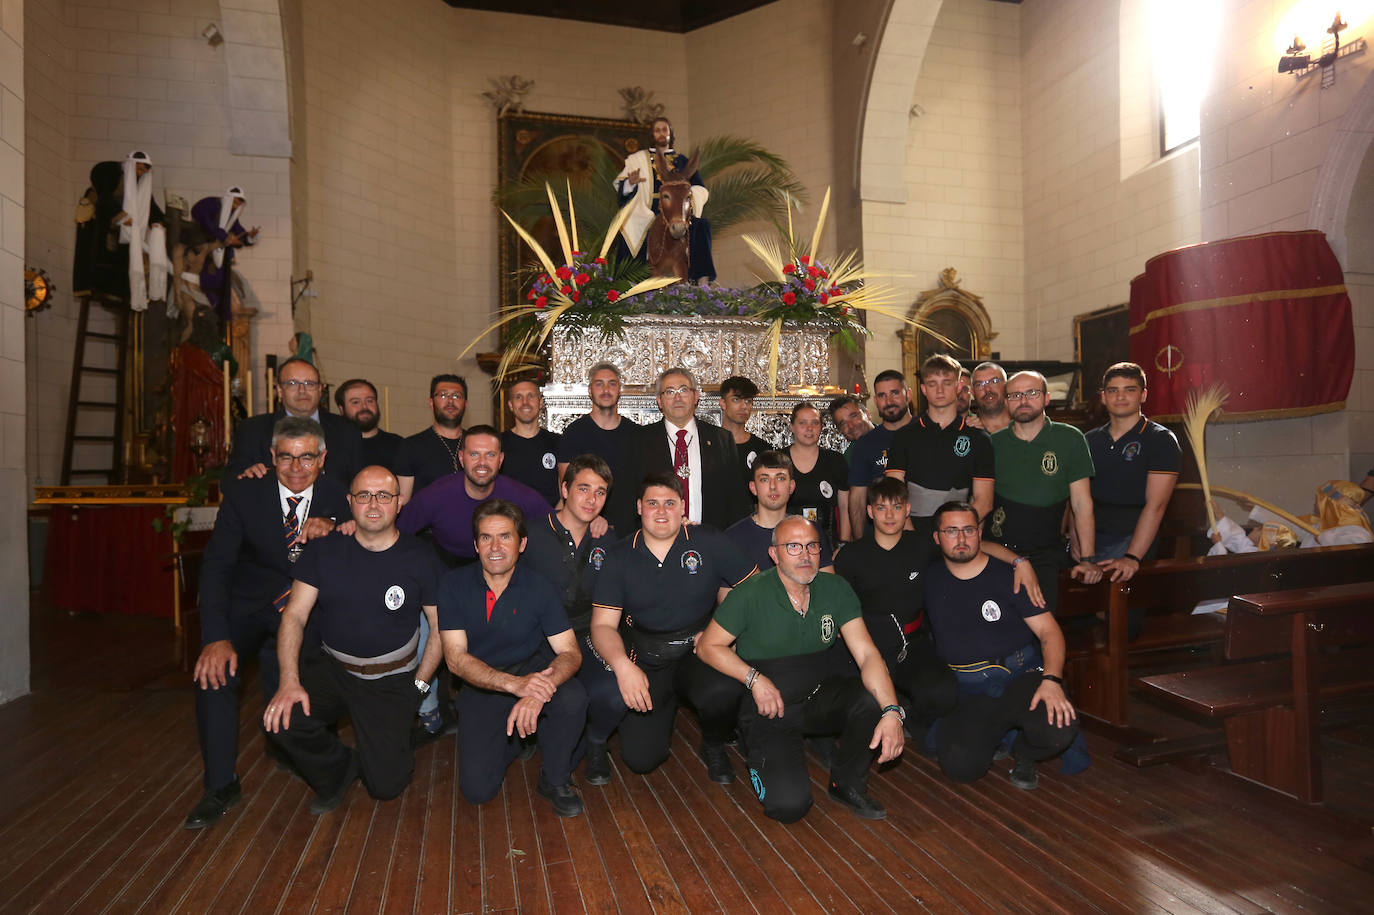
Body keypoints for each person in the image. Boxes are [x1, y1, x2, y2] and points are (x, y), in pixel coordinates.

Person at [184, 417, 350, 829]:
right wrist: (216, 637)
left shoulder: (341, 496)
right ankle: (220, 785)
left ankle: (305, 753)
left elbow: (366, 547)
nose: (296, 468)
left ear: (322, 458)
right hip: (250, 606)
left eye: (307, 457)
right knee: (213, 673)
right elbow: (217, 567)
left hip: (308, 611)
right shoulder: (245, 493)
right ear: (272, 456)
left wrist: (334, 529)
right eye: (286, 457)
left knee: (313, 676)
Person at [697, 516, 905, 822]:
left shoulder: (836, 588)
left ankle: (846, 785)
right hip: (770, 707)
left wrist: (892, 711)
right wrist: (754, 679)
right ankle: (755, 744)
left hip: (818, 694)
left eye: (811, 546)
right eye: (793, 547)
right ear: (774, 554)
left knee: (872, 700)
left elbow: (867, 654)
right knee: (788, 806)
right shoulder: (749, 593)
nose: (805, 555)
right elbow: (707, 646)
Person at [262, 466, 445, 814]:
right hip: (335, 670)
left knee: (386, 787)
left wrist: (419, 685)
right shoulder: (324, 551)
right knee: (281, 721)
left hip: (391, 680)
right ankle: (340, 769)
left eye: (383, 495)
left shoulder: (421, 557)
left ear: (399, 503)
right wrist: (289, 682)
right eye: (364, 495)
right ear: (350, 502)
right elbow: (294, 616)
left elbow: (440, 627)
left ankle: (382, 753)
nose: (373, 504)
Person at [582, 474, 757, 786]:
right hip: (647, 656)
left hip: (698, 650)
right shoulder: (620, 556)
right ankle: (612, 733)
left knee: (725, 690)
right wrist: (623, 666)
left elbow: (753, 587)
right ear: (639, 507)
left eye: (670, 503)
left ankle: (713, 743)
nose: (661, 511)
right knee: (641, 760)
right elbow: (602, 625)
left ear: (682, 507)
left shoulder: (708, 540)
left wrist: (721, 631)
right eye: (653, 503)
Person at [835, 477, 1042, 738]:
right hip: (865, 647)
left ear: (907, 510)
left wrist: (1019, 562)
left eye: (897, 507)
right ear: (869, 511)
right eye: (881, 507)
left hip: (911, 645)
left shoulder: (921, 546)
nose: (889, 515)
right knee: (860, 707)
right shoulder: (851, 556)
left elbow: (974, 546)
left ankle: (913, 723)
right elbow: (838, 610)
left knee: (943, 693)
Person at [439, 501, 588, 817]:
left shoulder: (540, 586)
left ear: (522, 544)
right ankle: (520, 739)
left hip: (533, 671)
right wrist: (515, 686)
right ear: (475, 545)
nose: (495, 547)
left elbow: (570, 653)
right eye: (486, 538)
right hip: (483, 682)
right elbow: (455, 660)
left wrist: (536, 692)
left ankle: (555, 778)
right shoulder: (453, 585)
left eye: (505, 537)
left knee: (573, 698)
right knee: (477, 792)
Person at [923, 502, 1079, 790]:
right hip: (969, 688)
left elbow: (1049, 631)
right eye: (951, 531)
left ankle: (1024, 752)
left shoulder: (1010, 577)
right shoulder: (930, 576)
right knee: (960, 767)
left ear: (980, 533)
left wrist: (1052, 680)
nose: (961, 538)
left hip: (1021, 675)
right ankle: (993, 736)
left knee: (1058, 727)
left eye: (969, 530)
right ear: (937, 537)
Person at [987, 370, 1102, 619]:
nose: (1023, 400)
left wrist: (1087, 558)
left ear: (1047, 398)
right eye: (1015, 395)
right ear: (1006, 402)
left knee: (1042, 619)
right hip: (998, 549)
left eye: (1032, 393)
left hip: (1045, 552)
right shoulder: (993, 443)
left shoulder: (1070, 439)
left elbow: (1081, 504)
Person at [1080, 363, 1181, 585]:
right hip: (1089, 539)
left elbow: (1156, 506)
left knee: (1122, 605)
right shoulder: (1088, 440)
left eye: (1129, 389)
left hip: (1133, 540)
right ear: (1103, 397)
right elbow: (1075, 500)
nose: (1120, 397)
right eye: (1113, 390)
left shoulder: (1161, 440)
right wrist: (1080, 551)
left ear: (1143, 395)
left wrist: (1131, 557)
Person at [397, 425, 552, 565]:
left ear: (500, 460)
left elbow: (556, 528)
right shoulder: (436, 494)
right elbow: (397, 532)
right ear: (461, 458)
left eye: (490, 455)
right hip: (447, 570)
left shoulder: (520, 495)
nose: (482, 463)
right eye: (474, 454)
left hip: (502, 570)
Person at [884, 354, 995, 539]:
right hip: (912, 533)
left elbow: (984, 501)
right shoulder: (904, 436)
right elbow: (894, 493)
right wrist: (911, 536)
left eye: (947, 383)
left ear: (958, 387)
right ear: (923, 389)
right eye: (932, 384)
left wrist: (956, 533)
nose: (940, 390)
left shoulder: (979, 439)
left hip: (958, 536)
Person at [225, 356, 363, 487]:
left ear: (320, 389)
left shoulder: (347, 430)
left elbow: (360, 483)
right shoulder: (252, 430)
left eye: (309, 383)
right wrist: (247, 474)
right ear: (280, 391)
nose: (302, 390)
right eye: (292, 383)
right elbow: (229, 481)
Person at [639, 367, 750, 530]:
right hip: (657, 536)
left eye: (683, 390)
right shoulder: (640, 440)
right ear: (660, 401)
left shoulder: (721, 439)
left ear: (696, 396)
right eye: (670, 392)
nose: (677, 397)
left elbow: (735, 498)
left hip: (710, 537)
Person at [522, 455, 618, 638]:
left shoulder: (607, 539)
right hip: (538, 635)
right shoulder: (531, 534)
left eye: (600, 492)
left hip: (591, 635)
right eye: (584, 489)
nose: (592, 499)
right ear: (565, 490)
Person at [615, 115, 715, 285]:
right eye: (657, 130)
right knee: (630, 223)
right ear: (652, 135)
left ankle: (702, 279)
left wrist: (687, 196)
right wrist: (630, 183)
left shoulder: (682, 161)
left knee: (702, 225)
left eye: (664, 130)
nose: (661, 133)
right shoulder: (637, 159)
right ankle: (630, 279)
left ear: (670, 133)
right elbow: (622, 188)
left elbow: (700, 188)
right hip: (647, 210)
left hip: (677, 211)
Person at [556, 362, 642, 534]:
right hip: (587, 527)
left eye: (612, 384)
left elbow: (642, 486)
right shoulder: (574, 433)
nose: (606, 390)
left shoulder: (636, 434)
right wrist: (593, 517)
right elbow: (569, 486)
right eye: (599, 384)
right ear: (590, 391)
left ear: (619, 390)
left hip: (630, 530)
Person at [726, 450, 834, 572]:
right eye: (764, 479)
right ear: (753, 487)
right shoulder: (733, 538)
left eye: (780, 478)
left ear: (791, 486)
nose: (773, 486)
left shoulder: (810, 531)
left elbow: (828, 581)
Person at [846, 370, 914, 538]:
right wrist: (860, 543)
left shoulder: (927, 432)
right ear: (875, 401)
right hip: (880, 537)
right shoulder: (865, 444)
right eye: (882, 396)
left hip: (926, 532)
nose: (889, 401)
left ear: (908, 395)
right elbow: (857, 499)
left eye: (895, 393)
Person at [784, 402, 850, 546]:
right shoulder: (779, 460)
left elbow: (845, 507)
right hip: (787, 543)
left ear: (821, 427)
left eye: (815, 423)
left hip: (827, 543)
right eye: (802, 423)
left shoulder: (835, 460)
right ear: (792, 427)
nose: (809, 428)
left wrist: (844, 544)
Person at [394, 374, 468, 501]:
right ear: (431, 403)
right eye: (443, 395)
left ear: (465, 404)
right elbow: (403, 502)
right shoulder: (411, 446)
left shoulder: (477, 444)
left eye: (457, 396)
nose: (450, 401)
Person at [190, 186, 259, 321]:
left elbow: (239, 232)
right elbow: (207, 224)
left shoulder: (232, 217)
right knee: (206, 288)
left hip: (219, 259)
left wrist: (249, 237)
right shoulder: (209, 204)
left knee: (221, 290)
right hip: (203, 253)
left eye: (238, 204)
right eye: (235, 202)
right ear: (228, 199)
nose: (236, 206)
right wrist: (225, 237)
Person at [117, 149, 170, 311]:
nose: (140, 173)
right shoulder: (118, 181)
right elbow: (108, 203)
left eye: (143, 171)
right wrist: (121, 217)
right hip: (115, 236)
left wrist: (157, 222)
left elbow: (152, 208)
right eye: (138, 169)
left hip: (134, 239)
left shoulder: (142, 186)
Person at [500, 379, 563, 507]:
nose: (525, 402)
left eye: (531, 396)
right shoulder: (498, 444)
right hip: (508, 517)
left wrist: (554, 517)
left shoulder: (558, 442)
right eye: (518, 397)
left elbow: (566, 491)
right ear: (510, 405)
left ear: (541, 402)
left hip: (549, 517)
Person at [336, 378, 403, 472]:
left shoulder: (399, 446)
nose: (364, 406)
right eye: (355, 402)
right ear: (341, 409)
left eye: (370, 400)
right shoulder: (333, 446)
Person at [718, 375, 772, 485]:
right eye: (736, 400)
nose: (743, 406)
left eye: (748, 401)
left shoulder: (762, 449)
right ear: (723, 403)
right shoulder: (707, 444)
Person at [828, 394, 874, 465]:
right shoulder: (847, 460)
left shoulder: (891, 439)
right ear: (840, 430)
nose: (851, 425)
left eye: (854, 416)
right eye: (843, 423)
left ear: (868, 414)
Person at [966, 362, 1010, 435]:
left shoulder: (1024, 425)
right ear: (972, 392)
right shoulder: (967, 432)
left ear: (1007, 386)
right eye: (979, 384)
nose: (987, 389)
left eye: (994, 381)